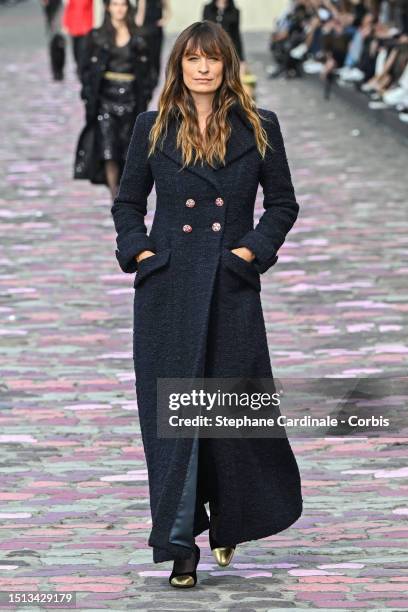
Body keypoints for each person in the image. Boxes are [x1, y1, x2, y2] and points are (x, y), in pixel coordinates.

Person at [110, 20, 303, 588]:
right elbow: (127, 203)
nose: (202, 67)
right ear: (179, 65)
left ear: (226, 65)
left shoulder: (259, 127)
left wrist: (251, 251)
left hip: (229, 286)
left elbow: (284, 203)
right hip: (168, 293)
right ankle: (180, 543)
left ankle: (232, 519)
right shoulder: (152, 127)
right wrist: (141, 252)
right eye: (192, 58)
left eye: (212, 58)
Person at [73, 0, 154, 199]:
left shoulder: (139, 37)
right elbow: (85, 69)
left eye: (123, 5)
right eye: (115, 4)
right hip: (105, 98)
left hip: (131, 98)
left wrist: (146, 94)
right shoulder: (97, 36)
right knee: (108, 149)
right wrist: (88, 94)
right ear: (108, 7)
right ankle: (114, 195)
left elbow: (149, 70)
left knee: (129, 149)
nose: (119, 9)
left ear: (128, 8)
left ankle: (125, 193)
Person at [135, 0, 172, 89]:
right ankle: (147, 86)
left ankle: (151, 86)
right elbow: (140, 14)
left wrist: (164, 20)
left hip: (153, 31)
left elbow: (169, 11)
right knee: (144, 61)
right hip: (145, 31)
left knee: (153, 61)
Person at [202, 0, 246, 74]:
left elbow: (236, 35)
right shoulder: (207, 8)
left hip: (226, 47)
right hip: (209, 45)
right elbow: (203, 28)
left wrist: (241, 58)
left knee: (225, 72)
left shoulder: (235, 11)